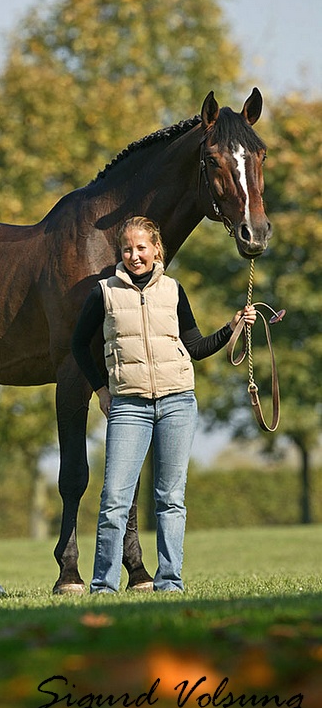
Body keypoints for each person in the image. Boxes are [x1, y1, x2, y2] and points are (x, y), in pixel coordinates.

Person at [72, 216, 256, 594]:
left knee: (170, 499)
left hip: (177, 402)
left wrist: (233, 326)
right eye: (127, 248)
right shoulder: (103, 292)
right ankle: (103, 586)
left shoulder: (173, 290)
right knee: (114, 500)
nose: (134, 255)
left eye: (141, 247)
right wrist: (101, 390)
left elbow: (195, 347)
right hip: (128, 405)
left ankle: (169, 581)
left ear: (156, 249)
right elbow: (78, 345)